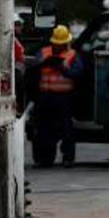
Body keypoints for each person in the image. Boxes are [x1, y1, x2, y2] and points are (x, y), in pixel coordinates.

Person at [30, 25, 83, 168]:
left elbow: (77, 73)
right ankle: (45, 159)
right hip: (45, 96)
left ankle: (68, 158)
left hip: (64, 98)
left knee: (67, 129)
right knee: (44, 129)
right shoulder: (43, 52)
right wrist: (43, 64)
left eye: (61, 44)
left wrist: (63, 69)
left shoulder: (73, 55)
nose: (59, 46)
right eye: (57, 43)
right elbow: (33, 66)